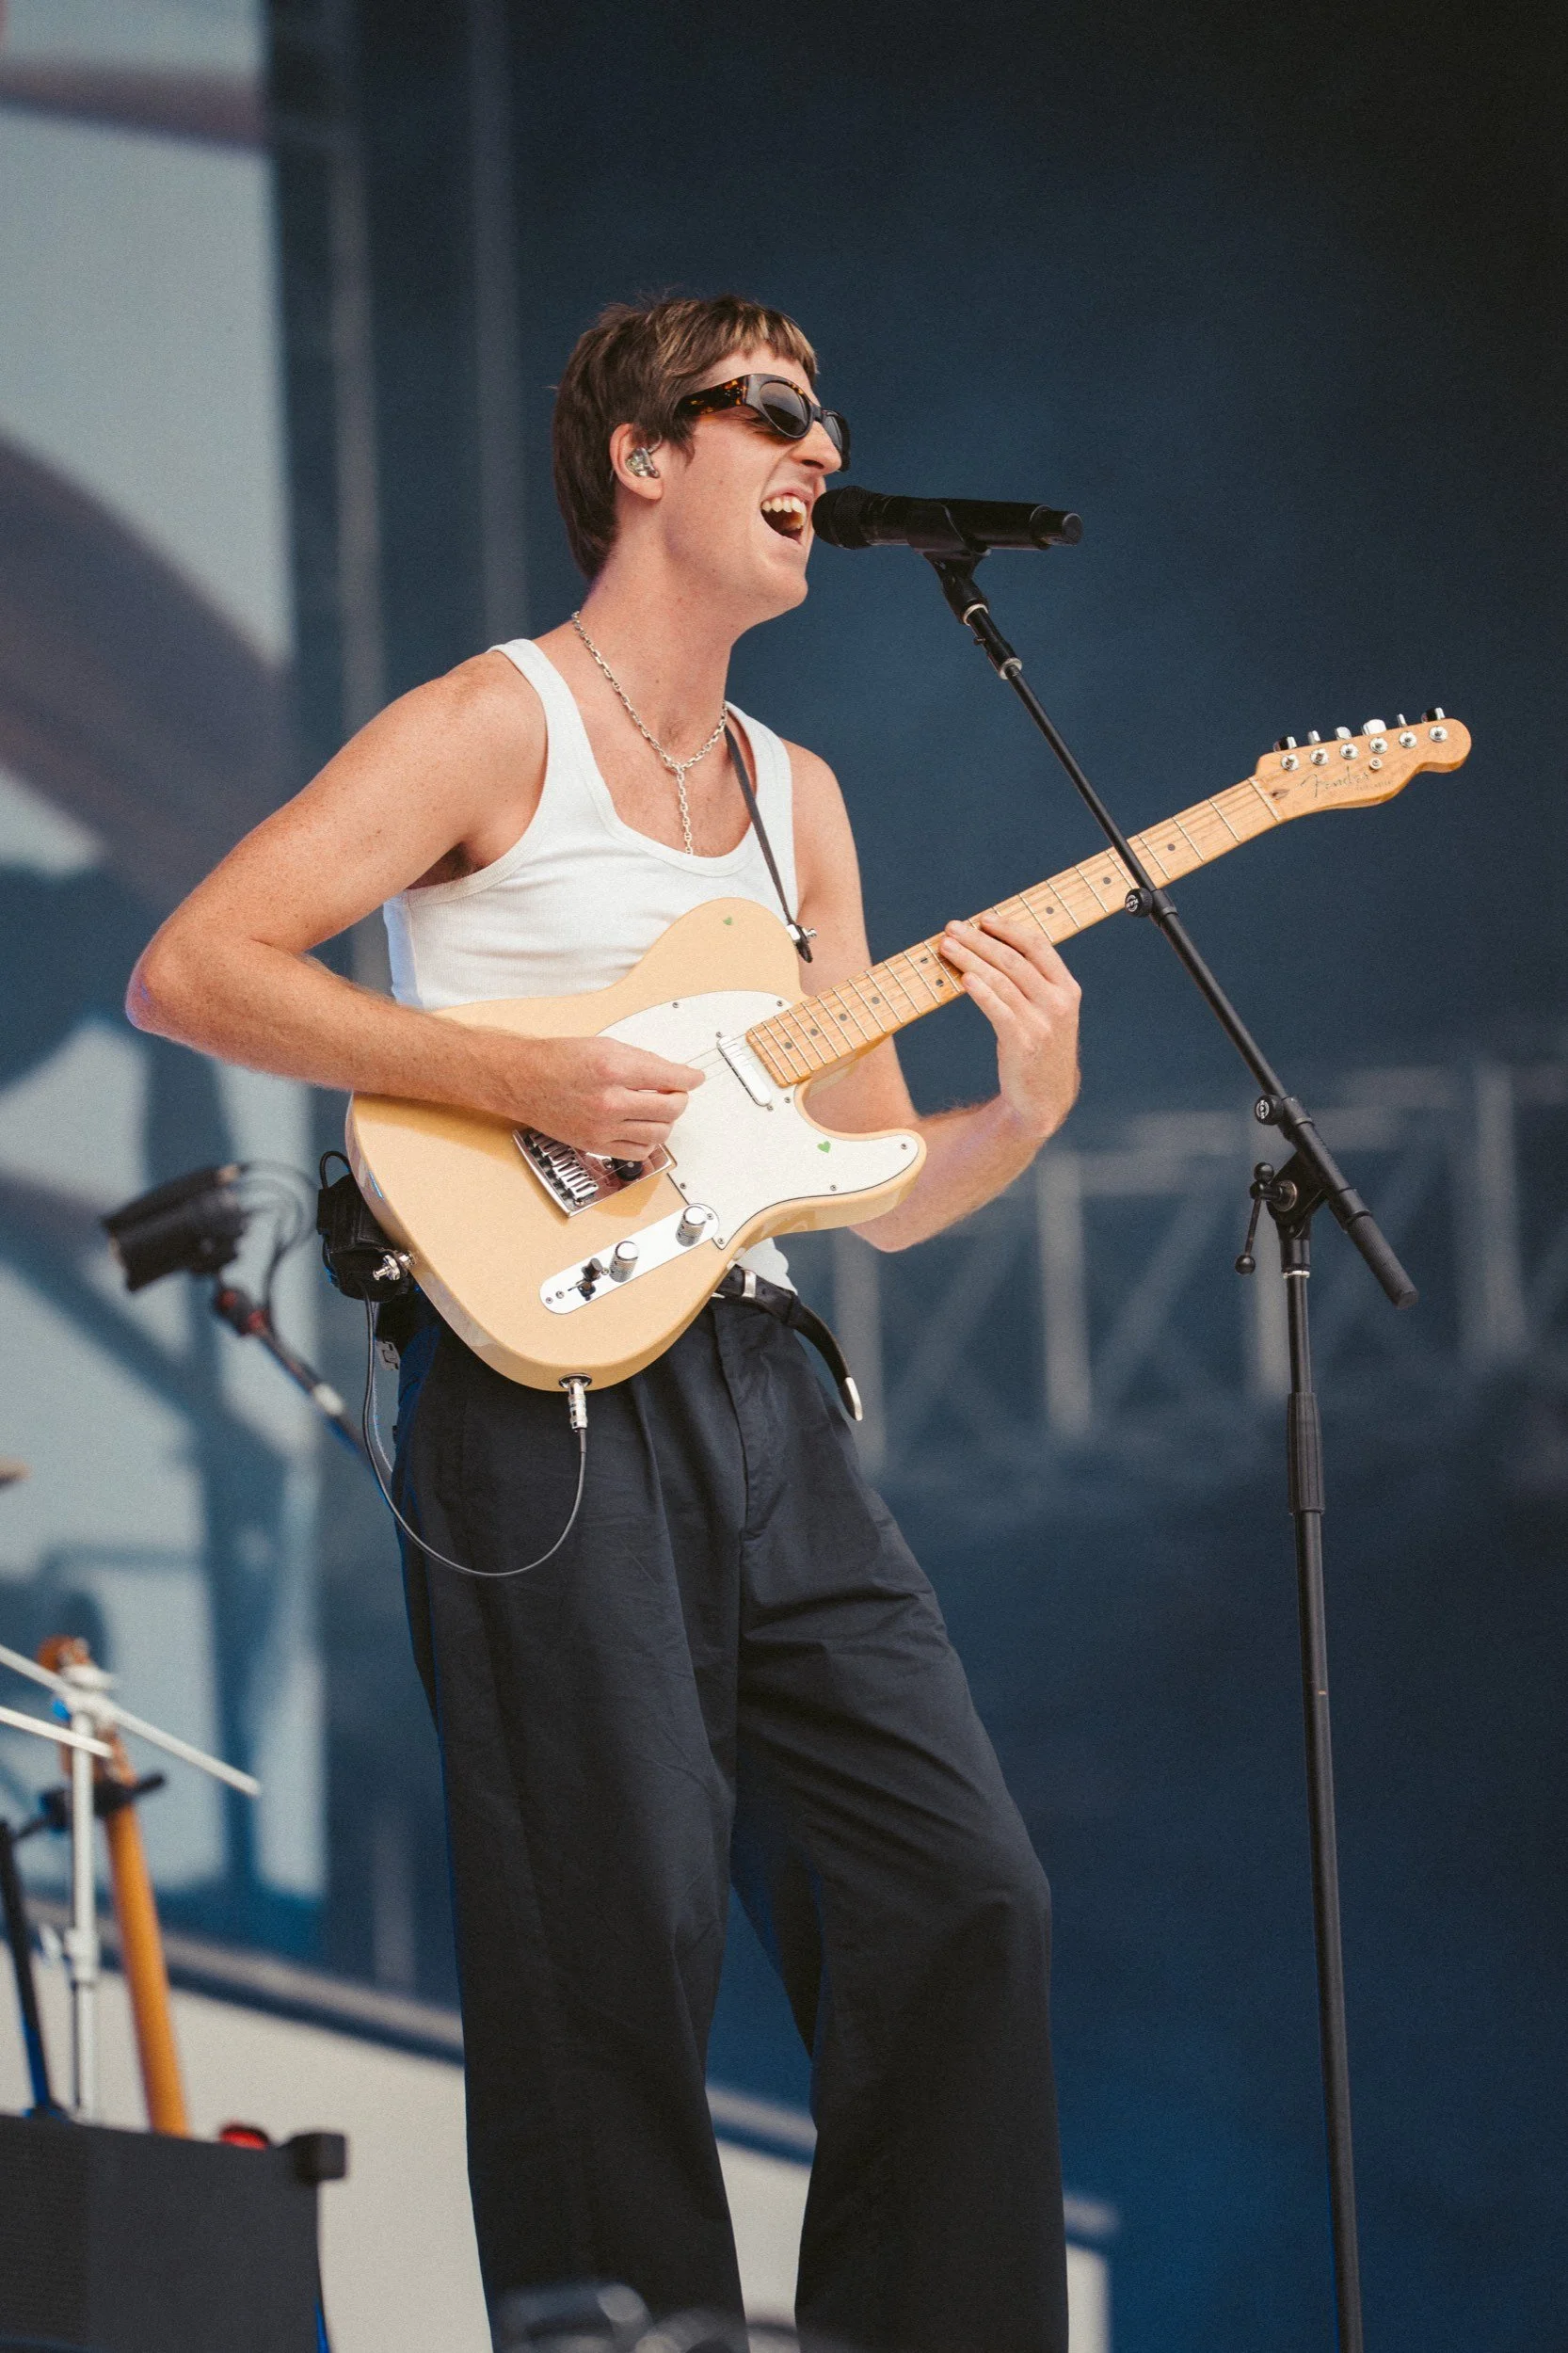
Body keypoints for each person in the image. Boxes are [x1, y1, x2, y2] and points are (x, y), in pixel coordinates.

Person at [128, 295, 1081, 2353]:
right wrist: (519, 1079)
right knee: (611, 1944)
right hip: (538, 1391)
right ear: (644, 456)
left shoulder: (792, 796)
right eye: (777, 408)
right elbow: (196, 966)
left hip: (766, 1388)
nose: (822, 446)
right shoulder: (498, 720)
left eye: (829, 414)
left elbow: (883, 1189)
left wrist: (1019, 1109)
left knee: (960, 1890)